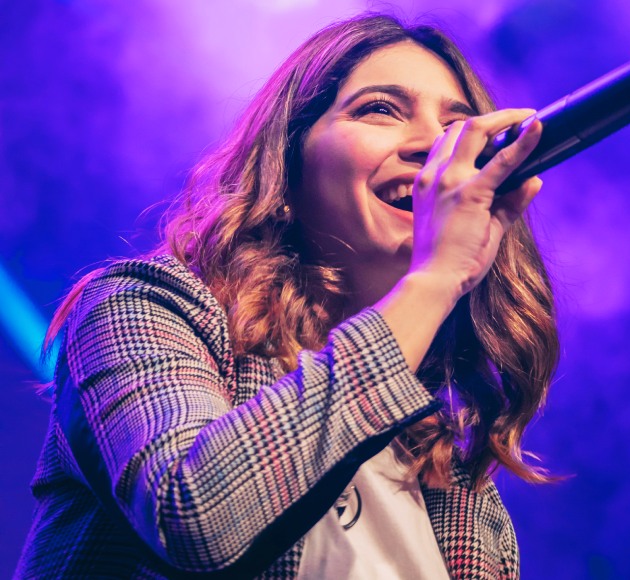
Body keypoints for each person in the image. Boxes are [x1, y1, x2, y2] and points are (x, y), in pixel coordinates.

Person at [16, 12, 559, 579]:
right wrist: (436, 280)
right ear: (287, 161)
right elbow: (195, 517)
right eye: (380, 109)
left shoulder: (449, 467)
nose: (431, 145)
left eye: (458, 127)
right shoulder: (142, 306)